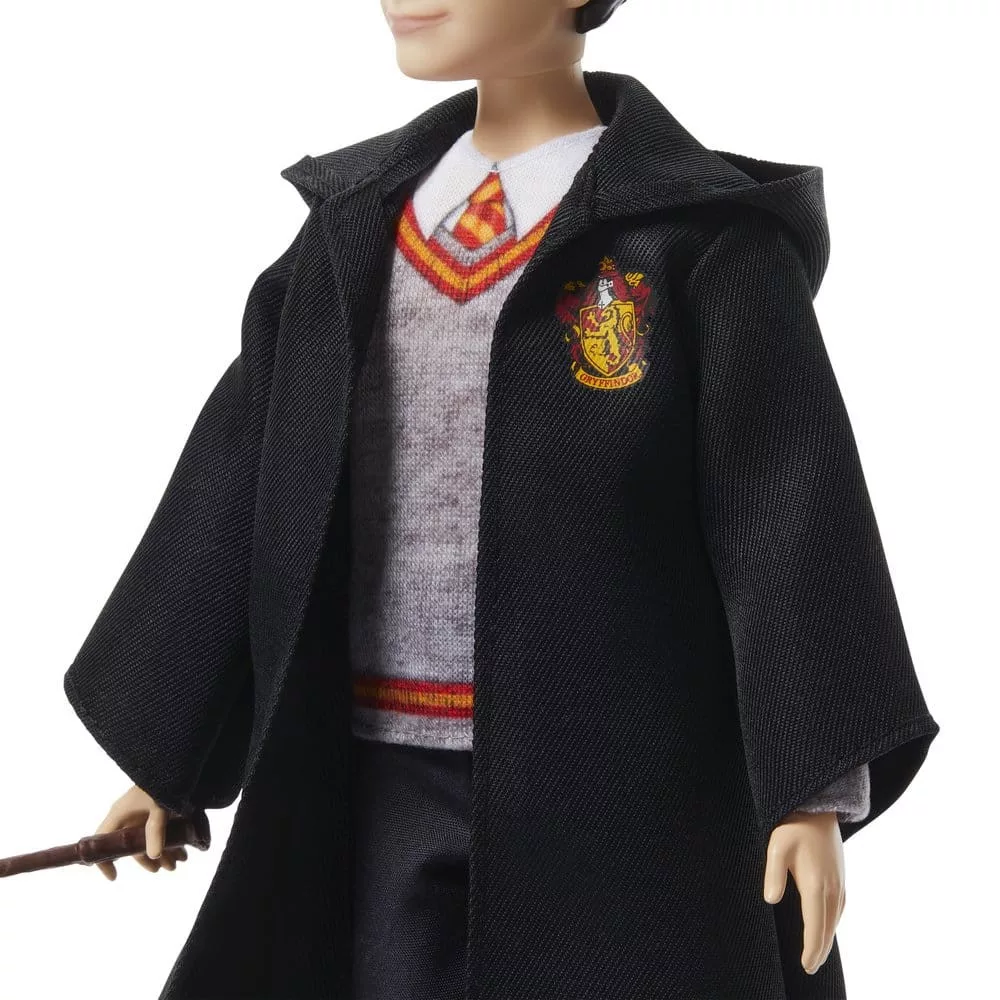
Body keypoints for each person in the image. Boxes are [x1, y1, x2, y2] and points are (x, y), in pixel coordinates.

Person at [63, 2, 939, 998]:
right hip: (375, 773)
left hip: (623, 789)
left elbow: (784, 511)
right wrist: (167, 754)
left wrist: (810, 787)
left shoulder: (693, 239)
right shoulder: (355, 227)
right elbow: (240, 482)